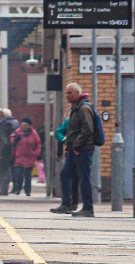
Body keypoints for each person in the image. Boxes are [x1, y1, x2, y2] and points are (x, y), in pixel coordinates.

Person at [51, 83, 97, 217]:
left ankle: (88, 208)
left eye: (70, 93)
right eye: (66, 93)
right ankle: (67, 204)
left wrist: (77, 146)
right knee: (64, 174)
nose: (67, 95)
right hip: (73, 150)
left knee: (84, 178)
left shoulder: (84, 109)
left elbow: (87, 129)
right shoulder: (75, 108)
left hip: (82, 150)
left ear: (78, 93)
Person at [10, 117, 42, 196]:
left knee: (28, 176)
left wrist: (36, 153)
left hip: (30, 157)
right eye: (22, 125)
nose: (24, 126)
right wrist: (14, 140)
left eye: (26, 125)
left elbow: (38, 144)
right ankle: (18, 189)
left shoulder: (34, 134)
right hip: (19, 157)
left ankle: (28, 190)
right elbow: (11, 141)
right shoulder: (17, 132)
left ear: (29, 126)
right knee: (18, 175)